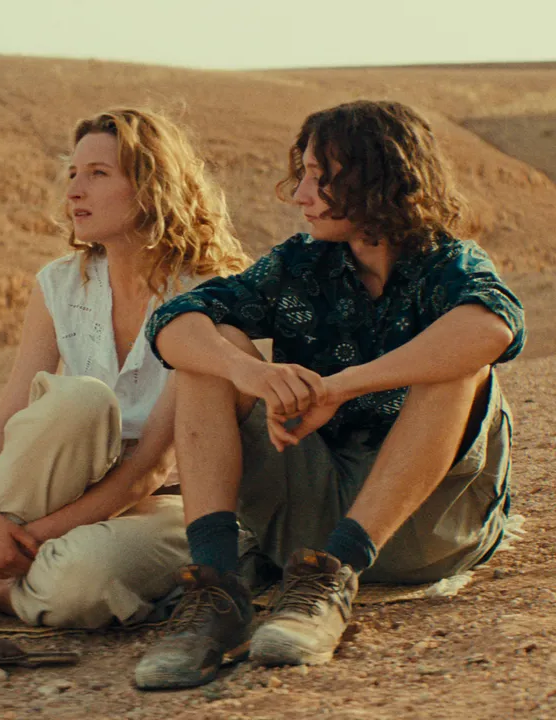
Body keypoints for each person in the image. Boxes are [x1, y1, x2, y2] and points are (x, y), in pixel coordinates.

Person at [133, 100, 525, 689]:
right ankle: (216, 593)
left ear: (378, 177)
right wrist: (247, 372)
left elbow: (493, 328)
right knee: (210, 350)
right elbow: (173, 322)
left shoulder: (449, 264)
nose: (300, 195)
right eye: (304, 175)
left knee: (457, 363)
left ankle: (335, 576)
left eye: (321, 177)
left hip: (427, 527)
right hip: (309, 514)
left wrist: (341, 387)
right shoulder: (301, 263)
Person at [0, 108, 251, 650]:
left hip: (172, 503)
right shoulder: (59, 284)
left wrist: (15, 544)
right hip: (71, 488)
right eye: (73, 173)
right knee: (78, 403)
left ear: (152, 187)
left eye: (98, 174)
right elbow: (11, 413)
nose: (75, 190)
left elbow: (148, 469)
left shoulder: (210, 295)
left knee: (81, 579)